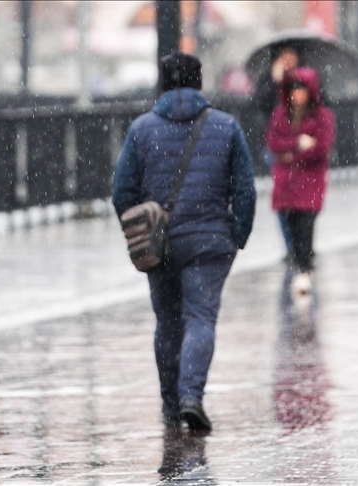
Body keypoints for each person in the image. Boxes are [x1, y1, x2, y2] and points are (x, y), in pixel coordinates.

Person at [112, 52, 256, 431]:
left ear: (161, 84)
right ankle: (192, 395)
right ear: (199, 82)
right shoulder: (226, 126)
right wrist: (237, 234)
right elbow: (244, 188)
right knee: (200, 318)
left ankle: (171, 403)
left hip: (160, 242)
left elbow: (121, 191)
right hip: (210, 241)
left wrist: (139, 231)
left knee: (167, 323)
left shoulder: (141, 129)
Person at [266, 67, 335, 298]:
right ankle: (301, 265)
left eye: (302, 89)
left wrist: (291, 153)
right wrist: (298, 143)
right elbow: (274, 143)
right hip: (286, 183)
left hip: (310, 181)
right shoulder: (281, 115)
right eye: (293, 89)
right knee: (291, 225)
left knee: (306, 225)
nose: (297, 95)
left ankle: (305, 268)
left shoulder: (322, 116)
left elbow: (320, 149)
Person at [254, 46, 301, 255]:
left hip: (301, 146)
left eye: (292, 55)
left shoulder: (304, 81)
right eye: (284, 56)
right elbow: (261, 103)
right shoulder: (269, 80)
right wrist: (275, 81)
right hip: (277, 147)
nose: (288, 60)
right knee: (282, 197)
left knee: (302, 196)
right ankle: (290, 244)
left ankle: (303, 242)